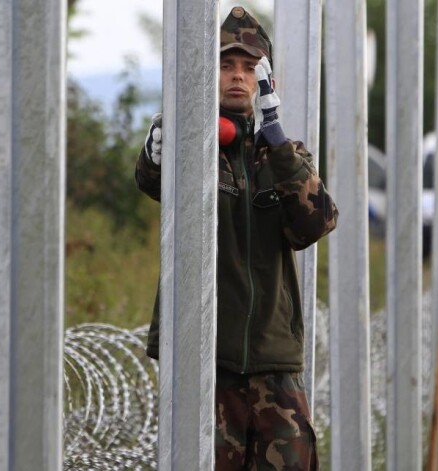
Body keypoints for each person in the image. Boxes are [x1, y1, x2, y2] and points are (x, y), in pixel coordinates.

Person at [135, 6, 338, 470]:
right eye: (226, 64)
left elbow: (315, 224)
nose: (237, 77)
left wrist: (278, 140)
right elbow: (151, 180)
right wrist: (156, 150)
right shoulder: (191, 143)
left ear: (265, 79)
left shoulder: (286, 157)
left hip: (273, 363)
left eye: (250, 68)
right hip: (204, 360)